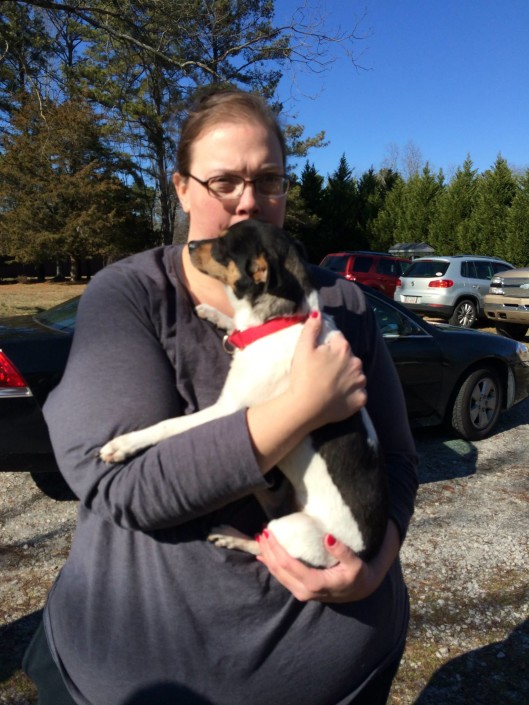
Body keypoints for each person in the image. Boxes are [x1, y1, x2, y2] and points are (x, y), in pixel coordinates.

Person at [23, 88, 418, 705]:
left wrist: (372, 569)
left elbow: (398, 458)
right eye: (224, 181)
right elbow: (120, 485)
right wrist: (302, 408)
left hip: (347, 672)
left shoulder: (341, 302)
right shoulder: (128, 295)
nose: (250, 202)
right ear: (181, 189)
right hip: (148, 678)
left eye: (269, 179)